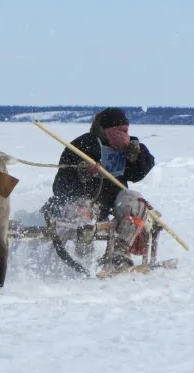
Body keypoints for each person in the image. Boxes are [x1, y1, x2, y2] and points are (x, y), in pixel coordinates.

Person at [40, 107, 156, 269]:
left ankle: (120, 252)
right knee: (83, 208)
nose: (123, 135)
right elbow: (60, 187)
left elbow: (138, 173)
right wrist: (81, 174)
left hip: (113, 202)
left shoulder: (131, 146)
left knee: (136, 201)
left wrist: (138, 155)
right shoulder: (82, 145)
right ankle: (83, 259)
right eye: (117, 131)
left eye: (125, 131)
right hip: (84, 203)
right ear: (103, 130)